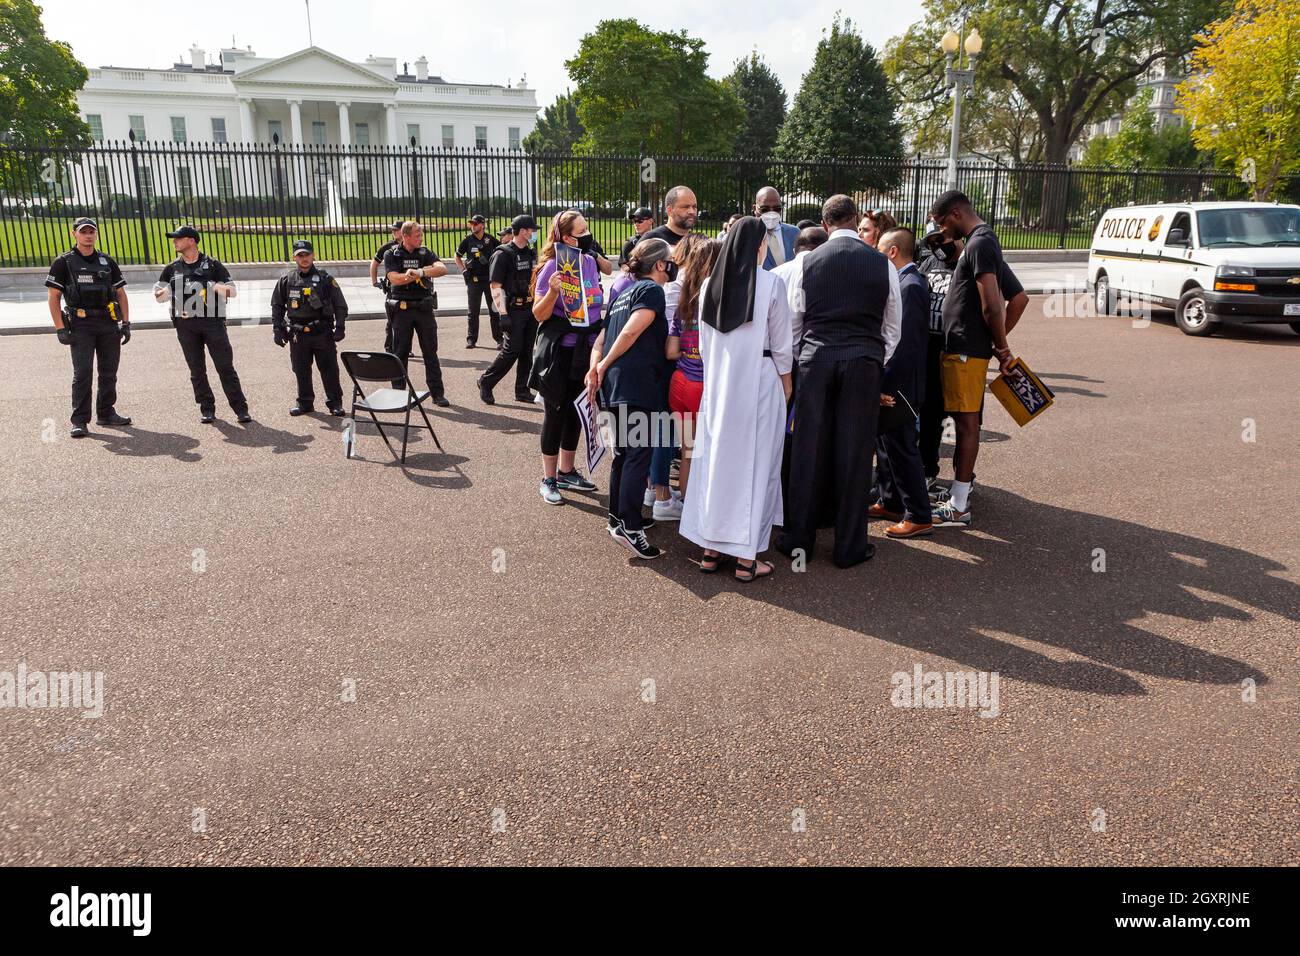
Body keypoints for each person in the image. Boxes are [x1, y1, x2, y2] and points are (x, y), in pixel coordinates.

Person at [777, 195, 901, 569]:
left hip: (816, 360)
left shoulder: (807, 263)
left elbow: (795, 322)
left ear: (826, 223)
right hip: (864, 361)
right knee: (856, 453)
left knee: (807, 451)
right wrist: (875, 358)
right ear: (853, 220)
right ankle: (849, 546)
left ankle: (799, 539)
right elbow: (892, 325)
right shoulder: (882, 264)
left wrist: (805, 359)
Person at [680, 217, 794, 583]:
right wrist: (786, 385)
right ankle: (747, 560)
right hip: (760, 384)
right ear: (758, 246)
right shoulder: (771, 283)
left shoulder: (711, 284)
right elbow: (782, 346)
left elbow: (705, 344)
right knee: (756, 466)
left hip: (719, 387)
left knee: (718, 465)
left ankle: (711, 550)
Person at [585, 238, 675, 560]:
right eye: (670, 260)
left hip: (615, 385)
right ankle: (629, 524)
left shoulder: (623, 293)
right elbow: (629, 333)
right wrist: (603, 365)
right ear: (660, 264)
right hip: (637, 385)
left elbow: (601, 338)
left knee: (623, 454)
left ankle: (617, 518)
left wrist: (596, 369)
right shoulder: (652, 291)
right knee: (637, 454)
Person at [929, 189, 1012, 528]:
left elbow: (994, 303)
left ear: (957, 213)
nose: (942, 231)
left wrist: (1002, 347)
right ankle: (957, 495)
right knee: (961, 423)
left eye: (942, 222)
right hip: (963, 348)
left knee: (965, 425)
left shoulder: (979, 243)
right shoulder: (978, 243)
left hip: (966, 350)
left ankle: (959, 503)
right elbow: (1008, 299)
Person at [528, 210, 606, 506]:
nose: (586, 236)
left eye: (587, 229)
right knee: (556, 413)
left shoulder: (588, 263)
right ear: (564, 236)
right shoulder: (552, 266)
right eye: (581, 231)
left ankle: (567, 470)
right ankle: (548, 478)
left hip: (584, 350)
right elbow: (538, 314)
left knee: (577, 411)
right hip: (558, 352)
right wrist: (551, 292)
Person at [871, 228, 933, 538]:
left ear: (893, 252)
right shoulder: (906, 282)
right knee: (886, 445)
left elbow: (904, 345)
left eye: (880, 250)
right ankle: (891, 501)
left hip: (902, 386)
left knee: (903, 448)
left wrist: (886, 386)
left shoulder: (910, 286)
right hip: (900, 383)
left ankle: (919, 514)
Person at [154, 225, 251, 424]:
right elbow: (159, 297)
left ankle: (240, 409)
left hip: (212, 323)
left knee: (225, 367)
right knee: (196, 370)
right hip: (186, 325)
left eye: (178, 238)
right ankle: (207, 409)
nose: (174, 242)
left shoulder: (213, 265)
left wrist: (211, 286)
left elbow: (232, 291)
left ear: (191, 241)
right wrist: (168, 291)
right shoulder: (172, 268)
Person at [45, 217, 132, 438]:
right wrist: (59, 328)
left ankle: (106, 412)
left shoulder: (106, 261)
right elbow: (53, 297)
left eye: (91, 231)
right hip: (80, 324)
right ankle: (79, 421)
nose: (88, 235)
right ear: (74, 234)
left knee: (109, 372)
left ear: (96, 233)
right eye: (83, 231)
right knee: (82, 373)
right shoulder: (64, 262)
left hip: (108, 323)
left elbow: (121, 294)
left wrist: (126, 322)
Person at [664, 236, 722, 504]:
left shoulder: (683, 305)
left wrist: (690, 353)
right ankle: (702, 510)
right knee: (706, 452)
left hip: (680, 383)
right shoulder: (719, 305)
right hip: (703, 386)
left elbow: (671, 351)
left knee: (688, 451)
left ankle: (687, 506)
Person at [270, 240, 349, 417]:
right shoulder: (287, 279)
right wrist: (277, 329)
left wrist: (340, 327)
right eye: (300, 255)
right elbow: (277, 305)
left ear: (313, 255)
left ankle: (335, 403)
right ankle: (305, 403)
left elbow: (340, 305)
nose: (304, 258)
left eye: (307, 254)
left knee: (329, 369)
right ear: (295, 257)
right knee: (301, 369)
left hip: (322, 331)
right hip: (298, 334)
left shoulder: (325, 279)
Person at [383, 220, 450, 407]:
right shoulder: (392, 254)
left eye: (421, 234)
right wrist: (409, 276)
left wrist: (420, 272)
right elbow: (393, 278)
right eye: (417, 235)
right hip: (402, 311)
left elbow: (442, 269)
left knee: (431, 352)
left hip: (424, 310)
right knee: (400, 353)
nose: (420, 238)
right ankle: (398, 395)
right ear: (405, 236)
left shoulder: (425, 252)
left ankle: (437, 393)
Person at [478, 214, 539, 404]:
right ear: (523, 231)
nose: (534, 233)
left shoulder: (529, 252)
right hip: (513, 309)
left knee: (527, 350)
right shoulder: (502, 254)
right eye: (532, 230)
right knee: (511, 350)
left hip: (530, 307)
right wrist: (503, 314)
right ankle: (486, 381)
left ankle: (522, 390)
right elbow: (495, 286)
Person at [456, 214, 502, 349]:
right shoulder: (468, 240)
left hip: (489, 280)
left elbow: (502, 252)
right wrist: (463, 270)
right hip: (474, 281)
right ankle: (471, 340)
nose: (472, 226)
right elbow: (457, 256)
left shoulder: (490, 239)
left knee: (494, 310)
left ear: (482, 225)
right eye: (471, 224)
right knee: (473, 311)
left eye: (475, 224)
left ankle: (499, 339)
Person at [371, 220, 403, 353]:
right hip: (392, 289)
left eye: (396, 230)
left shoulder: (412, 246)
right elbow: (374, 263)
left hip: (406, 288)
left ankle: (403, 347)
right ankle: (389, 348)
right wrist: (374, 281)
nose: (393, 232)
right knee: (392, 319)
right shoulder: (388, 247)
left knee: (405, 321)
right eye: (393, 230)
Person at [754, 186, 799, 270]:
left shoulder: (795, 233)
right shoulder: (748, 235)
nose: (771, 213)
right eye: (765, 209)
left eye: (777, 209)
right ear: (754, 208)